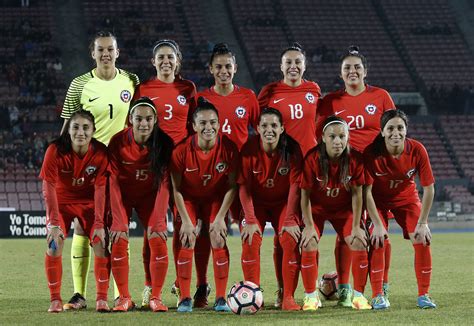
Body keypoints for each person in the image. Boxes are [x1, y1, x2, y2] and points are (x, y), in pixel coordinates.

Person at [59, 31, 139, 310]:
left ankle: (121, 294)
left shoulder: (131, 81)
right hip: (88, 166)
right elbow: (67, 129)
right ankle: (79, 294)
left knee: (119, 227)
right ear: (92, 53)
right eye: (100, 50)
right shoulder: (79, 84)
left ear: (118, 52)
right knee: (82, 226)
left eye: (110, 49)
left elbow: (140, 120)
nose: (106, 54)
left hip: (121, 166)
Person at [317, 45, 396, 307]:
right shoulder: (330, 102)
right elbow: (320, 136)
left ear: (365, 71)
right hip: (345, 177)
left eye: (357, 67)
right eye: (347, 68)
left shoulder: (381, 96)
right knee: (348, 233)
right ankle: (344, 287)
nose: (353, 71)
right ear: (341, 73)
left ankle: (381, 285)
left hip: (376, 177)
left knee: (379, 232)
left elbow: (393, 131)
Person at [194, 43, 259, 307]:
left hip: (242, 179)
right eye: (218, 66)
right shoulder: (201, 99)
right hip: (212, 179)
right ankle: (202, 287)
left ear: (235, 68)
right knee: (207, 232)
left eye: (228, 66)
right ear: (211, 69)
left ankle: (252, 289)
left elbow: (263, 130)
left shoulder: (248, 98)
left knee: (248, 231)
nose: (223, 71)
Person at [133, 39, 197, 308]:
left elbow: (195, 127)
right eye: (161, 57)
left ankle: (181, 287)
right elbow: (136, 125)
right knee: (153, 228)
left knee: (185, 226)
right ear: (153, 61)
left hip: (183, 167)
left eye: (170, 57)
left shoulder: (188, 88)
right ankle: (150, 285)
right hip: (154, 167)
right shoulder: (144, 89)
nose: (166, 61)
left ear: (178, 60)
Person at [258, 42, 321, 306]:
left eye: (298, 62)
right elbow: (262, 125)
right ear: (281, 66)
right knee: (283, 234)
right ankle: (284, 291)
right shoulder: (270, 92)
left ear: (304, 66)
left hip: (310, 167)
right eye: (288, 62)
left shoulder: (314, 90)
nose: (293, 67)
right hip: (282, 167)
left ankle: (309, 289)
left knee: (309, 228)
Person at [170, 97, 238, 312]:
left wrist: (220, 219)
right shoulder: (180, 151)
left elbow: (232, 186)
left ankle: (220, 298)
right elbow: (177, 189)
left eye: (212, 123)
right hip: (188, 199)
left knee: (218, 236)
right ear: (194, 126)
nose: (208, 127)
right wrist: (187, 222)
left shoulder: (228, 148)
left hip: (215, 199)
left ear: (219, 124)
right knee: (187, 237)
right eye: (203, 123)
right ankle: (185, 298)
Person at [364, 109, 436, 309]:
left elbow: (429, 189)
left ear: (406, 130)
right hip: (377, 201)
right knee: (379, 240)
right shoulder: (371, 153)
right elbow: (366, 192)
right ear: (382, 132)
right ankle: (378, 295)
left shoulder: (417, 150)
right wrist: (377, 224)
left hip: (407, 199)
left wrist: (423, 223)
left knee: (422, 239)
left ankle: (424, 295)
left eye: (400, 128)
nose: (396, 133)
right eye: (390, 128)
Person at [299, 116, 373, 311]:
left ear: (348, 137)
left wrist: (356, 226)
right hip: (316, 209)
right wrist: (307, 226)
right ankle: (310, 296)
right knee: (309, 241)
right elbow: (304, 195)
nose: (337, 141)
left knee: (358, 241)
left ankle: (357, 296)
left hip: (344, 209)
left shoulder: (355, 158)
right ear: (323, 137)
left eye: (342, 136)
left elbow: (358, 194)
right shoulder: (312, 158)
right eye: (332, 136)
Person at [108, 97, 174, 312]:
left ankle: (156, 297)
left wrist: (158, 219)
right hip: (123, 196)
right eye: (139, 119)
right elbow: (113, 181)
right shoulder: (117, 142)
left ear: (155, 120)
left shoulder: (164, 143)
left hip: (150, 197)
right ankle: (124, 298)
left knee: (157, 237)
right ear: (130, 120)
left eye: (148, 119)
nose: (143, 123)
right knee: (118, 238)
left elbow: (165, 182)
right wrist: (118, 220)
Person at [40, 110, 110, 313]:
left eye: (86, 127)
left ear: (93, 131)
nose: (81, 132)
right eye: (76, 127)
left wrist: (98, 223)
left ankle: (102, 299)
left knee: (101, 242)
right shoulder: (54, 150)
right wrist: (53, 223)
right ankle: (55, 299)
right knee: (54, 244)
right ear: (68, 130)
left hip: (88, 203)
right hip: (61, 203)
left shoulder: (100, 153)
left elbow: (100, 189)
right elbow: (49, 187)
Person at [238, 108, 302, 311]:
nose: (269, 130)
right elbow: (244, 187)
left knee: (290, 240)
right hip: (256, 204)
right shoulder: (248, 148)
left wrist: (291, 219)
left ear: (282, 128)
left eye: (274, 125)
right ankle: (253, 296)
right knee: (250, 239)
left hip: (283, 204)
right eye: (264, 125)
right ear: (257, 128)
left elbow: (295, 187)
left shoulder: (292, 148)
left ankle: (287, 296)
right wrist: (249, 219)